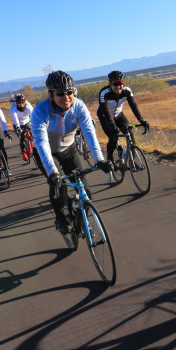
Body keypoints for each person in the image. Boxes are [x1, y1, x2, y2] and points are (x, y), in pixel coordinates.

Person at [31, 70, 112, 234]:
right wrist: (52, 172)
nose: (66, 97)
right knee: (58, 186)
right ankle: (61, 218)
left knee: (85, 190)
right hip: (47, 153)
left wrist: (99, 160)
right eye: (60, 94)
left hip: (69, 149)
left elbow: (89, 133)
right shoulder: (40, 111)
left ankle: (81, 221)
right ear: (50, 95)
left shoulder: (79, 106)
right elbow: (42, 142)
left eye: (70, 92)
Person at [96, 70, 149, 165]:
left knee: (130, 132)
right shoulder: (104, 93)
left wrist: (141, 120)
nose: (118, 86)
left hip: (118, 114)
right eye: (115, 84)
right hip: (105, 116)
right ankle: (110, 158)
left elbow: (134, 106)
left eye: (120, 83)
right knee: (113, 136)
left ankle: (132, 161)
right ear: (110, 84)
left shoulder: (127, 91)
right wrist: (114, 127)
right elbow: (107, 113)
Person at [10, 93, 34, 161]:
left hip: (26, 122)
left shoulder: (28, 106)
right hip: (17, 124)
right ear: (16, 103)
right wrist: (18, 128)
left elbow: (32, 116)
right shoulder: (14, 110)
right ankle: (23, 152)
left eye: (23, 102)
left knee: (32, 131)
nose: (21, 104)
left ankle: (32, 145)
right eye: (19, 103)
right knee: (22, 137)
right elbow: (16, 119)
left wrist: (34, 124)